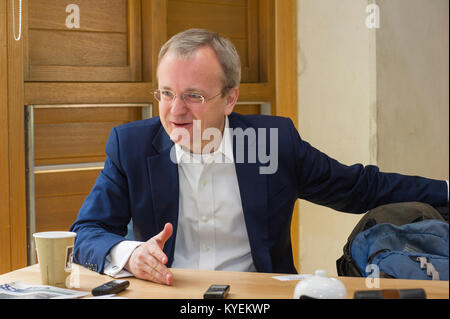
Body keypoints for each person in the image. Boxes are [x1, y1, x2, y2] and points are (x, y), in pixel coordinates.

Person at [70, 28, 448, 286]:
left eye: (194, 96)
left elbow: (361, 188)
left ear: (230, 98)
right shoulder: (131, 146)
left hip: (259, 298)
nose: (175, 110)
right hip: (169, 294)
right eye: (166, 93)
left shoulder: (274, 142)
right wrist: (131, 254)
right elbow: (87, 234)